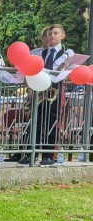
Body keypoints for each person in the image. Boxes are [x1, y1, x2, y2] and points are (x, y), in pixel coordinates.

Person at [24, 24, 73, 166]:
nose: (52, 36)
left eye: (55, 33)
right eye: (50, 33)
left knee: (52, 123)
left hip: (55, 91)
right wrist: (30, 87)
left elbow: (71, 71)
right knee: (36, 122)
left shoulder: (67, 54)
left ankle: (48, 155)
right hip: (39, 91)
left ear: (63, 36)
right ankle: (31, 154)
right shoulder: (41, 53)